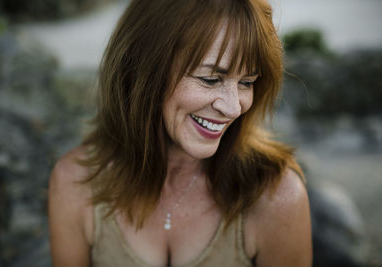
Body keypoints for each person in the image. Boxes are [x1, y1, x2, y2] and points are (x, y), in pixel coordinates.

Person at [48, 0, 312, 266]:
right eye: (210, 79)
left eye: (247, 82)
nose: (233, 108)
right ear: (145, 70)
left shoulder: (277, 198)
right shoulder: (75, 183)